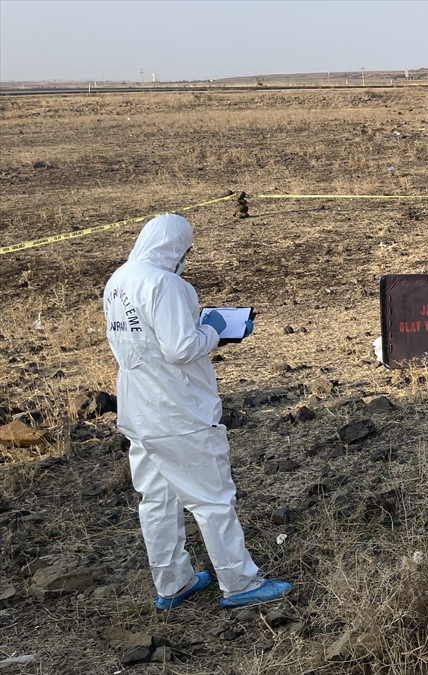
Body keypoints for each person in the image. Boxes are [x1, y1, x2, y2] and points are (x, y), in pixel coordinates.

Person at [103, 213, 291, 609]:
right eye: (186, 249)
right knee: (212, 499)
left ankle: (173, 584)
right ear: (175, 246)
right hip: (178, 412)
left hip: (139, 410)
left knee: (156, 500)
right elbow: (180, 348)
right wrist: (215, 330)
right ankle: (240, 583)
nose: (186, 257)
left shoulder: (118, 280)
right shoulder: (166, 284)